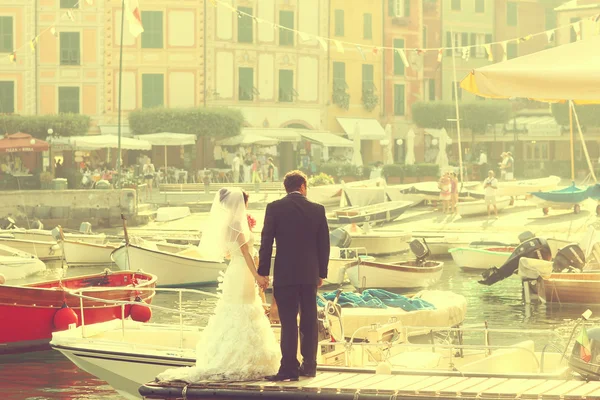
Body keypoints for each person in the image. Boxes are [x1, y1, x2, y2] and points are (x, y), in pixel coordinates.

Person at [156, 188, 279, 383]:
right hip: (243, 272)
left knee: (236, 311)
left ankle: (235, 356)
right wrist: (256, 275)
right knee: (245, 310)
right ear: (240, 204)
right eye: (244, 202)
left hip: (235, 271)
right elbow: (246, 252)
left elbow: (228, 253)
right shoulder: (238, 224)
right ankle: (242, 359)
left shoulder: (226, 225)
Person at [258, 170, 330, 381]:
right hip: (309, 274)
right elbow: (323, 245)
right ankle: (310, 366)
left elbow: (266, 242)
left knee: (288, 322)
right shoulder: (317, 210)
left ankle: (289, 368)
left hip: (285, 274)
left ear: (286, 188)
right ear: (303, 187)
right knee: (309, 320)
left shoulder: (274, 208)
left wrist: (263, 271)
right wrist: (321, 273)